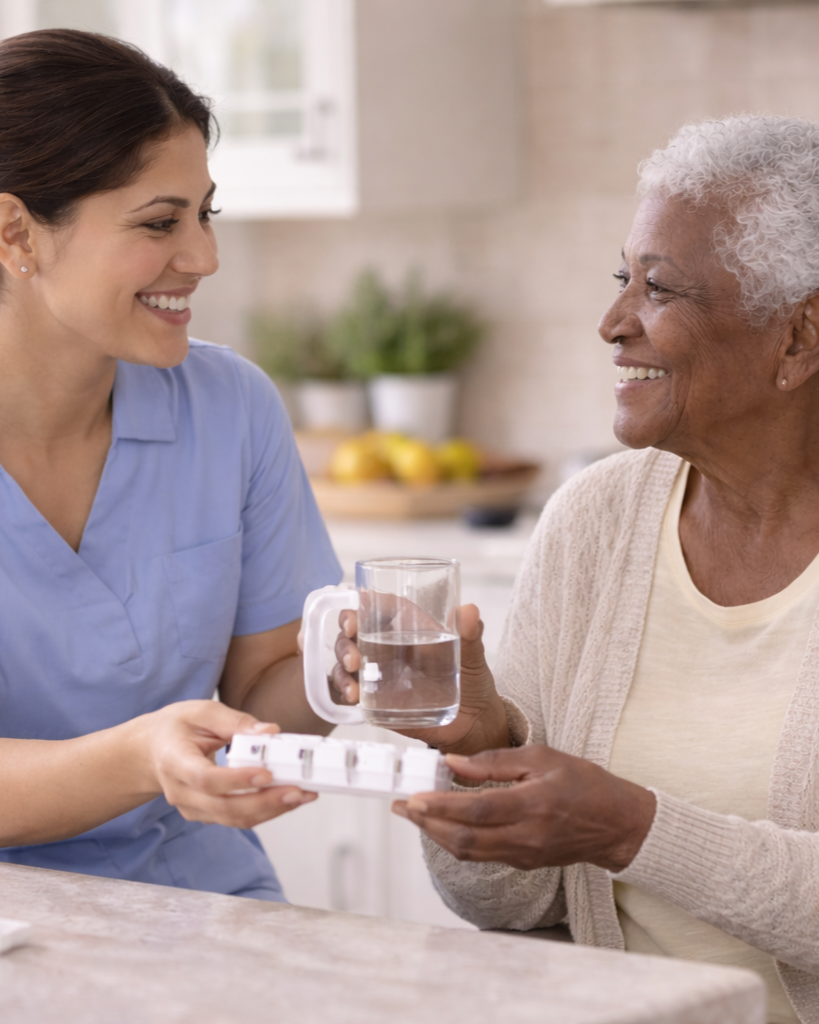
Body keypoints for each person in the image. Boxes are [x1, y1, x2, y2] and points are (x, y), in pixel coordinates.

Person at [335, 115, 819, 1023]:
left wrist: (631, 828)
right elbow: (515, 910)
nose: (611, 322)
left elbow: (623, 832)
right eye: (620, 279)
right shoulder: (596, 519)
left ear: (797, 338)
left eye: (660, 289)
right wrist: (478, 748)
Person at [0, 29, 341, 900]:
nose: (202, 257)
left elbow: (260, 692)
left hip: (202, 906)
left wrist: (344, 666)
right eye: (160, 222)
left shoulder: (228, 407)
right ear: (14, 233)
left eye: (204, 213)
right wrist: (138, 756)